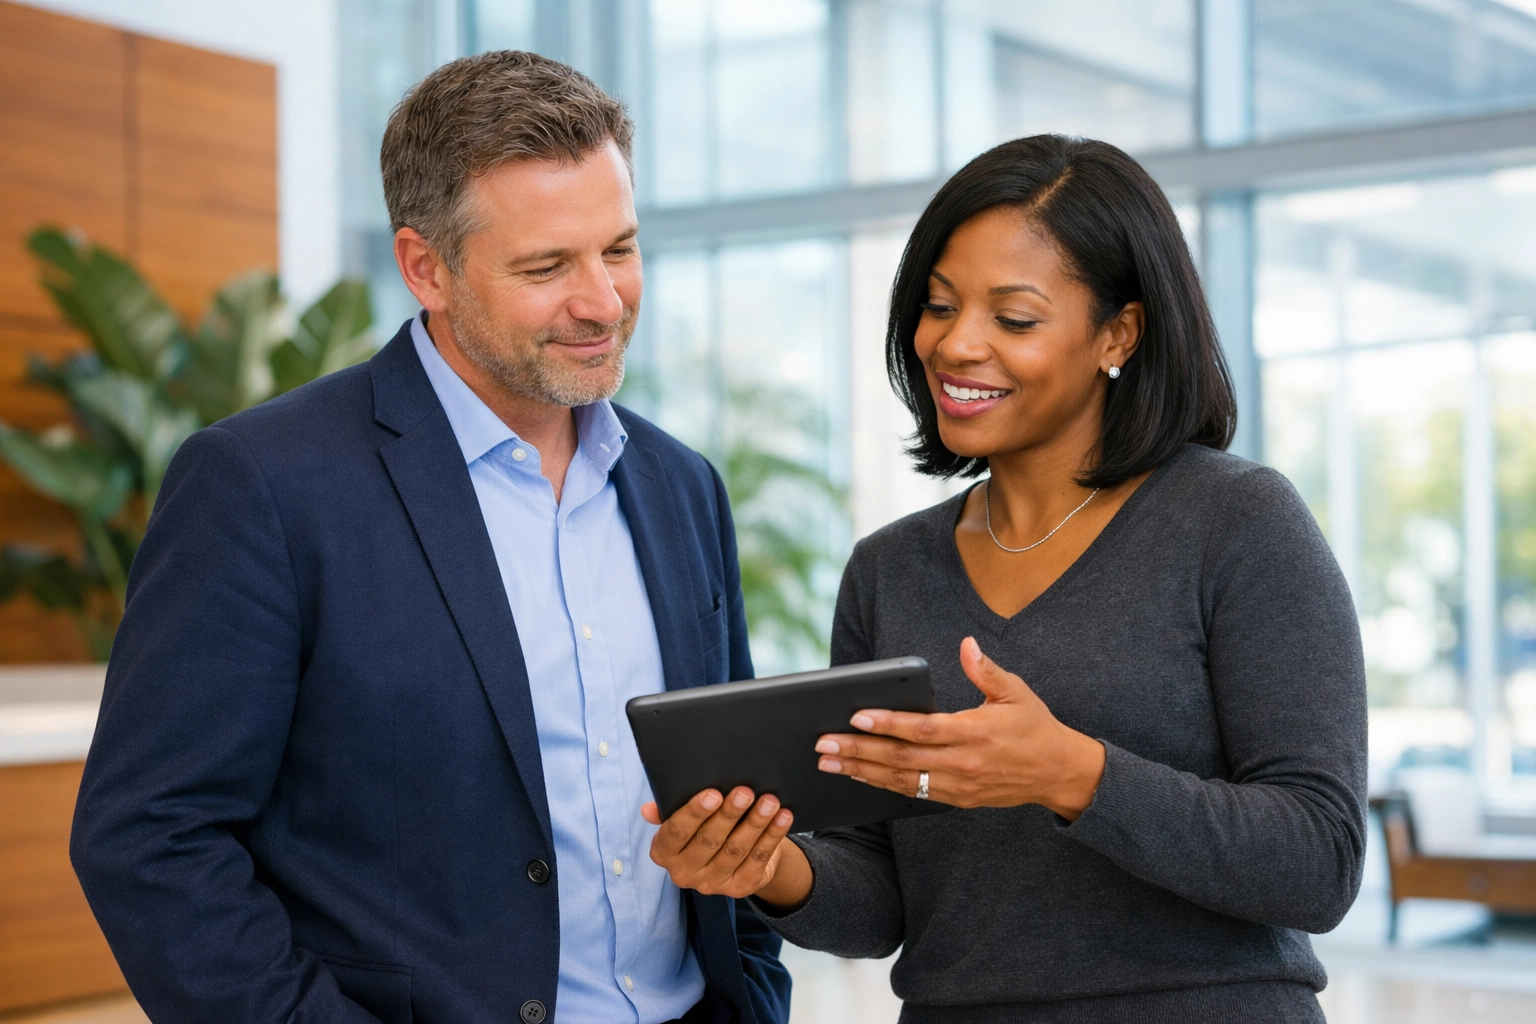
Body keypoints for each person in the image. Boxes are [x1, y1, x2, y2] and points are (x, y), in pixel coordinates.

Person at [71, 51, 789, 1024]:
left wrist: (753, 985)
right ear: (426, 267)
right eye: (547, 266)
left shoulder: (680, 485)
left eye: (618, 248)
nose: (603, 301)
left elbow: (728, 788)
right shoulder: (264, 484)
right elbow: (150, 836)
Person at [645, 135, 1368, 1022]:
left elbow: (1319, 863)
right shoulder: (889, 569)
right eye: (939, 306)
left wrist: (1071, 773)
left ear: (1119, 334)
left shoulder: (1236, 521)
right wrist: (771, 866)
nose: (956, 344)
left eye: (1013, 319)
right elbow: (882, 901)